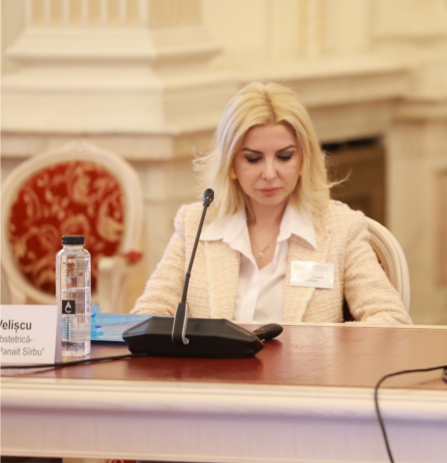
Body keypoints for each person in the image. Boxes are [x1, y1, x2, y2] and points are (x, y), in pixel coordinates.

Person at [133, 82, 411, 326]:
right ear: (231, 164)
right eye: (253, 159)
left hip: (306, 370)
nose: (269, 173)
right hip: (213, 371)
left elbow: (391, 319)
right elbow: (147, 315)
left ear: (303, 159)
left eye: (284, 157)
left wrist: (322, 346)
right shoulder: (195, 224)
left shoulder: (341, 228)